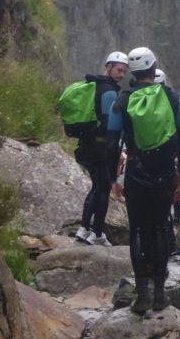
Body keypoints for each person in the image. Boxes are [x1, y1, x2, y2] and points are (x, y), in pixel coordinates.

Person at [107, 47, 180, 314]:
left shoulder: (121, 100)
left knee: (138, 231)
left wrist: (113, 179)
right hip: (164, 173)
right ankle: (159, 295)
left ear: (132, 71)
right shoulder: (173, 99)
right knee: (158, 228)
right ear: (154, 70)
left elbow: (111, 144)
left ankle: (142, 296)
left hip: (135, 172)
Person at [74, 51, 128, 247]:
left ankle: (84, 228)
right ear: (108, 67)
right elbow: (108, 124)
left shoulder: (95, 85)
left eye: (124, 71)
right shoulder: (108, 91)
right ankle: (96, 233)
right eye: (119, 70)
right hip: (100, 147)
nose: (121, 74)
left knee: (96, 186)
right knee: (103, 188)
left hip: (89, 144)